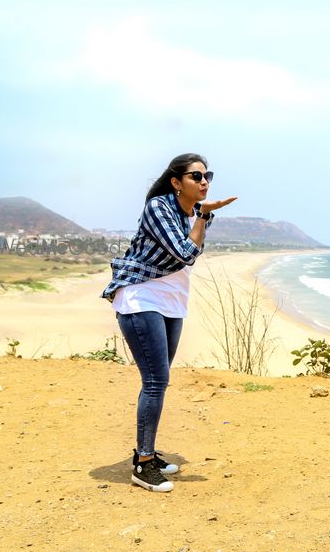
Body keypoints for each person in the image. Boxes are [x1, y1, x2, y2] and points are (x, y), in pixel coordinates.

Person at [102, 153, 237, 492]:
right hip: (141, 296)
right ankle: (143, 463)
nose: (205, 182)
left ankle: (147, 453)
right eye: (196, 176)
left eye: (208, 176)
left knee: (158, 382)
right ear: (176, 182)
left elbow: (193, 250)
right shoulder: (159, 207)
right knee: (154, 381)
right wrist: (205, 216)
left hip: (172, 301)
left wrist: (202, 216)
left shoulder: (191, 212)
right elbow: (185, 252)